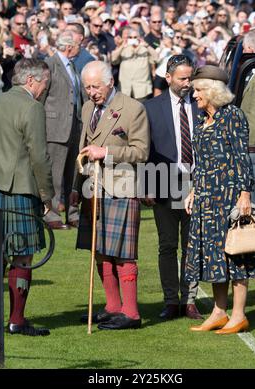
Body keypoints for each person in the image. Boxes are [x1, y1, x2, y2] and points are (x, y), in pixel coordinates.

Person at [72, 61, 150, 330]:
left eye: (96, 86)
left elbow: (141, 152)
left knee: (123, 254)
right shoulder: (86, 108)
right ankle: (112, 307)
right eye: (87, 87)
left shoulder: (133, 108)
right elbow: (82, 148)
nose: (92, 92)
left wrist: (106, 153)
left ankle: (131, 313)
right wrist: (75, 187)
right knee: (101, 251)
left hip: (121, 188)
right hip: (91, 190)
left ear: (110, 82)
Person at [184, 65, 255, 334]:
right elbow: (201, 163)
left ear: (213, 90)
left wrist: (245, 194)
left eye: (198, 89)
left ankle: (238, 315)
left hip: (229, 196)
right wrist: (194, 190)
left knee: (235, 253)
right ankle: (219, 311)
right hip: (206, 197)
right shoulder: (202, 120)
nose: (194, 95)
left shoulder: (233, 117)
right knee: (214, 256)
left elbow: (242, 158)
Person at [0, 58, 54, 336]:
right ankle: (17, 320)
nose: (45, 89)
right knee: (22, 257)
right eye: (45, 83)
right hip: (20, 192)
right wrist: (47, 196)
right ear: (31, 81)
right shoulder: (32, 107)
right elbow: (39, 156)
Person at [144, 55, 202, 321]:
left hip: (195, 183)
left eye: (190, 77)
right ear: (168, 78)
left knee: (192, 244)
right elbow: (146, 150)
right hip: (164, 181)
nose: (188, 83)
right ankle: (171, 301)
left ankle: (190, 300)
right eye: (182, 78)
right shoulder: (151, 108)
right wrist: (146, 185)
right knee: (167, 245)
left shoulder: (203, 105)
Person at [43, 31, 83, 229]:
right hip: (55, 129)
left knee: (72, 175)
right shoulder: (50, 65)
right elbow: (41, 98)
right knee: (55, 175)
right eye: (77, 44)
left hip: (74, 127)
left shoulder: (72, 66)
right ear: (68, 47)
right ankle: (51, 216)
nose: (79, 47)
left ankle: (73, 213)